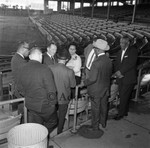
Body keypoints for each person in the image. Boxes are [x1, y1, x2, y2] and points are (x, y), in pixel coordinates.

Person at [17, 47, 58, 134]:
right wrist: (53, 104)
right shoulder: (44, 69)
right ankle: (42, 135)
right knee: (53, 122)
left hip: (30, 105)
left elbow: (19, 88)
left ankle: (40, 140)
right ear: (40, 56)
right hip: (44, 106)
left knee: (36, 127)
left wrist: (28, 95)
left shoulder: (21, 68)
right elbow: (51, 90)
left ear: (30, 56)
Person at [80, 39, 112, 130]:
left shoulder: (96, 62)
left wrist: (84, 83)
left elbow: (93, 79)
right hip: (105, 89)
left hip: (96, 90)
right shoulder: (109, 60)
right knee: (104, 106)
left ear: (97, 49)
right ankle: (103, 123)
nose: (93, 49)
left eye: (94, 48)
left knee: (95, 109)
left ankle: (95, 127)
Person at [50, 49, 76, 134]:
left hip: (51, 96)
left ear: (57, 58)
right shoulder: (69, 71)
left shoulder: (50, 68)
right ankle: (59, 132)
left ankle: (49, 132)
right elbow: (72, 85)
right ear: (67, 59)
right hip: (64, 97)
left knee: (50, 115)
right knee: (62, 116)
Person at [113, 35, 138, 120]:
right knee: (124, 96)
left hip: (128, 78)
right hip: (120, 78)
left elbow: (131, 63)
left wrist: (121, 72)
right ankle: (125, 111)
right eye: (120, 42)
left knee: (123, 96)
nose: (121, 44)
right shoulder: (119, 52)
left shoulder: (133, 51)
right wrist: (117, 72)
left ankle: (121, 114)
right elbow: (116, 63)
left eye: (123, 43)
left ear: (128, 43)